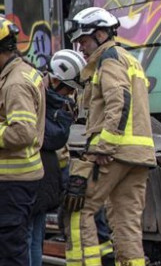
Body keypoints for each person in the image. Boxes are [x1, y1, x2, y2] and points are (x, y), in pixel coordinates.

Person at [63, 7, 156, 266]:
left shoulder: (109, 59)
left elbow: (120, 101)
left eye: (83, 40)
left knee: (78, 210)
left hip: (114, 154)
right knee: (127, 225)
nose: (81, 48)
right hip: (138, 156)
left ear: (101, 35)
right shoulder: (129, 58)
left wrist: (105, 146)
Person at [29, 49, 85, 266]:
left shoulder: (56, 103)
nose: (70, 95)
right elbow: (53, 139)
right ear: (55, 80)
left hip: (42, 179)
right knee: (29, 238)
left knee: (33, 237)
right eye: (68, 88)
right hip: (33, 177)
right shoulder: (41, 97)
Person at [0, 16, 46, 266]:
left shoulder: (15, 84)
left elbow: (22, 133)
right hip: (20, 179)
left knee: (10, 253)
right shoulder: (20, 73)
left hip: (12, 182)